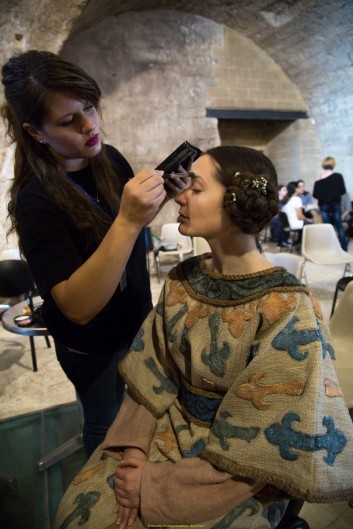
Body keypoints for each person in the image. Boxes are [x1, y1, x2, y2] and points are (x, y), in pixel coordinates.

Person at [53, 145, 353, 529]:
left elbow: (263, 440)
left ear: (234, 201)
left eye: (195, 188)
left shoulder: (288, 307)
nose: (179, 196)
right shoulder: (183, 279)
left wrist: (151, 485)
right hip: (164, 431)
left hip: (233, 471)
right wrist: (133, 453)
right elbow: (151, 374)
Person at [0, 50, 186, 456]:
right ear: (35, 132)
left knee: (139, 414)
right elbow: (78, 307)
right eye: (69, 121)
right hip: (91, 346)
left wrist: (156, 201)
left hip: (136, 321)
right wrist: (129, 220)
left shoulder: (108, 158)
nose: (90, 126)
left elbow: (120, 245)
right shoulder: (37, 201)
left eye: (89, 107)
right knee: (104, 427)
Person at [313, 156, 348, 251]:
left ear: (323, 165)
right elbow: (343, 191)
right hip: (336, 204)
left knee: (328, 227)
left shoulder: (319, 179)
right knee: (339, 226)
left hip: (324, 205)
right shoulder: (338, 176)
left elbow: (315, 194)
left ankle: (331, 248)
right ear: (333, 164)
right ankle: (344, 248)